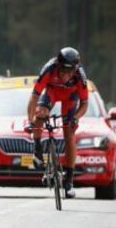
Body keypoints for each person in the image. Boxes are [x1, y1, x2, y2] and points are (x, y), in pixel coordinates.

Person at [26, 47, 88, 198]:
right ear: (58, 66)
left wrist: (76, 117)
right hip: (51, 93)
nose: (66, 76)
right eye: (63, 71)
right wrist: (31, 121)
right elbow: (34, 97)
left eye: (70, 72)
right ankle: (37, 149)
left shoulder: (80, 75)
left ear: (75, 69)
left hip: (70, 99)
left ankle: (69, 181)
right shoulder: (49, 69)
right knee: (40, 113)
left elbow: (84, 103)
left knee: (70, 134)